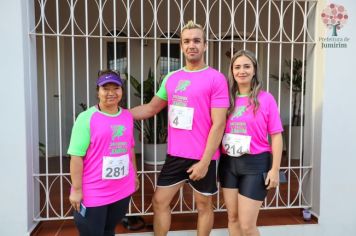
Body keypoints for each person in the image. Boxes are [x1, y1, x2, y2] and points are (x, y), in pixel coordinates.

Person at [130, 20, 229, 236]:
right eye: (186, 41)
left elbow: (219, 123)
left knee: (204, 205)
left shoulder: (216, 78)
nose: (191, 45)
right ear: (181, 46)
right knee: (159, 202)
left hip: (203, 156)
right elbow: (151, 108)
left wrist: (204, 162)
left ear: (204, 45)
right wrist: (118, 116)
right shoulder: (172, 78)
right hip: (175, 155)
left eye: (196, 40)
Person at [218, 49, 284, 236]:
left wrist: (275, 169)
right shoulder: (225, 100)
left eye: (247, 66)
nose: (242, 71)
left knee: (247, 226)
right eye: (237, 67)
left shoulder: (266, 99)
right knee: (232, 219)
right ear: (231, 71)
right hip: (228, 163)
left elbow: (276, 135)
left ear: (254, 70)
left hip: (255, 164)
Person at [68, 70, 139, 236]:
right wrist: (77, 190)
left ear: (122, 90)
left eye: (116, 88)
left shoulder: (127, 116)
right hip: (94, 191)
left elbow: (130, 148)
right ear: (97, 91)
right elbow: (76, 156)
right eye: (105, 88)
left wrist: (134, 175)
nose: (111, 93)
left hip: (122, 189)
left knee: (109, 231)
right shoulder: (86, 118)